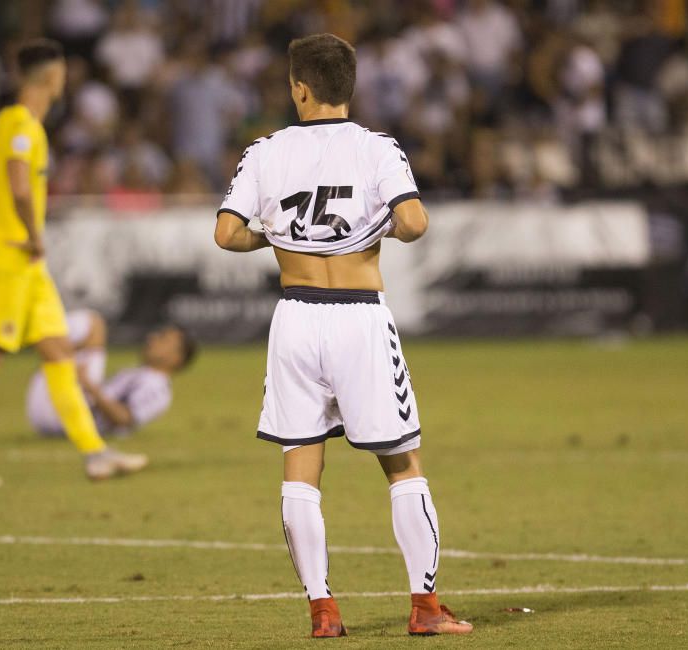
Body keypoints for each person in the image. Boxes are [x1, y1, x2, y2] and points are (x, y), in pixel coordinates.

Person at [213, 34, 473, 639]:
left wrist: (277, 239)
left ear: (299, 88)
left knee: (300, 468)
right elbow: (413, 222)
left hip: (296, 317)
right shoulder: (377, 147)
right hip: (358, 314)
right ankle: (425, 609)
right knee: (402, 464)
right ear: (348, 88)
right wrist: (363, 231)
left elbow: (227, 235)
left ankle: (323, 613)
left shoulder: (264, 151)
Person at [0, 39, 148, 486]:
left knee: (58, 351)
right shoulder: (21, 125)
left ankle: (95, 453)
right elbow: (17, 186)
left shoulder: (7, 123)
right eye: (63, 75)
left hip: (21, 259)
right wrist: (28, 236)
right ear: (53, 79)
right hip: (14, 256)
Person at [26, 310, 197, 438]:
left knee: (93, 324)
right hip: (58, 413)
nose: (152, 338)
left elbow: (124, 419)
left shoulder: (157, 388)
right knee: (62, 348)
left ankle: (24, 331)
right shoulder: (141, 374)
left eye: (163, 338)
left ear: (177, 358)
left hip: (68, 420)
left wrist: (90, 387)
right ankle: (29, 332)